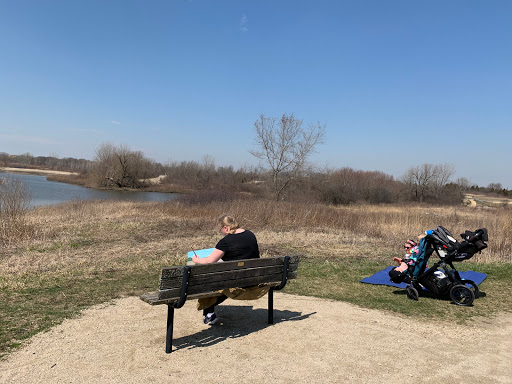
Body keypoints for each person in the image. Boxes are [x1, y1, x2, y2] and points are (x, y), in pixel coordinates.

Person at [192, 214, 260, 325]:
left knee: (210, 277)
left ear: (226, 228)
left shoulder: (226, 242)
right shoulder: (250, 234)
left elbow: (209, 261)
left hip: (236, 282)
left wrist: (196, 260)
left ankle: (209, 313)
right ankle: (209, 314)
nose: (222, 233)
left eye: (221, 230)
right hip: (253, 278)